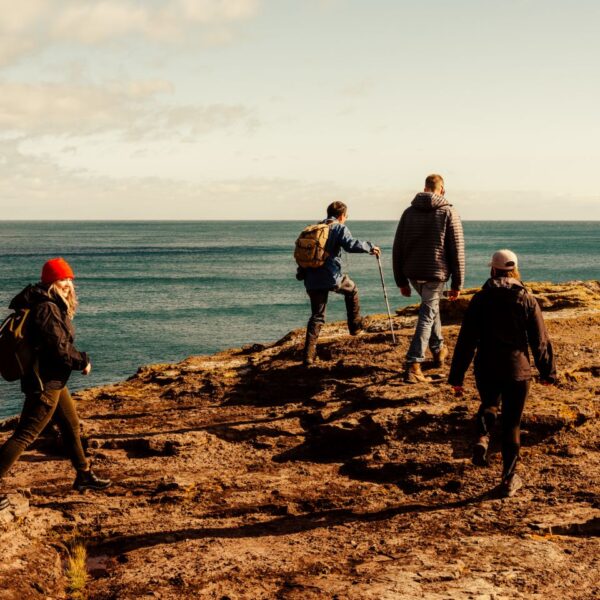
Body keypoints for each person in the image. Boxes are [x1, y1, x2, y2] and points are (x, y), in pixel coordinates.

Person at [0, 258, 111, 513]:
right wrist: (82, 360)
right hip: (45, 383)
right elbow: (59, 349)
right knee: (25, 436)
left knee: (71, 425)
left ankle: (83, 474)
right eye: (62, 280)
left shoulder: (45, 304)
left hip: (54, 381)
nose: (68, 285)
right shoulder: (46, 308)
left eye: (70, 280)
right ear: (50, 282)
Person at [448, 249, 556, 497]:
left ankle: (482, 438)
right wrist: (548, 371)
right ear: (515, 270)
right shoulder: (526, 299)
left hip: (486, 366)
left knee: (489, 403)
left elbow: (466, 341)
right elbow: (539, 340)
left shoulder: (480, 299)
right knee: (512, 424)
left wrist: (457, 377)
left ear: (493, 270)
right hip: (517, 370)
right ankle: (508, 480)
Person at [392, 174, 465, 383]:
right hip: (435, 272)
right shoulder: (448, 212)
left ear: (424, 188)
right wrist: (458, 283)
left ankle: (439, 348)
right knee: (427, 314)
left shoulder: (408, 212)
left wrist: (401, 280)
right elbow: (457, 249)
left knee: (430, 309)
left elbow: (398, 247)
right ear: (442, 189)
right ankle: (414, 363)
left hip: (413, 272)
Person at [298, 201, 380, 366]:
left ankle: (308, 356)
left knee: (317, 316)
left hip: (311, 278)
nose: (346, 218)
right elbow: (350, 245)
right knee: (352, 290)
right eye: (346, 216)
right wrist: (370, 247)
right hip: (331, 276)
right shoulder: (338, 228)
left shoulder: (313, 229)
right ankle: (355, 326)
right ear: (342, 215)